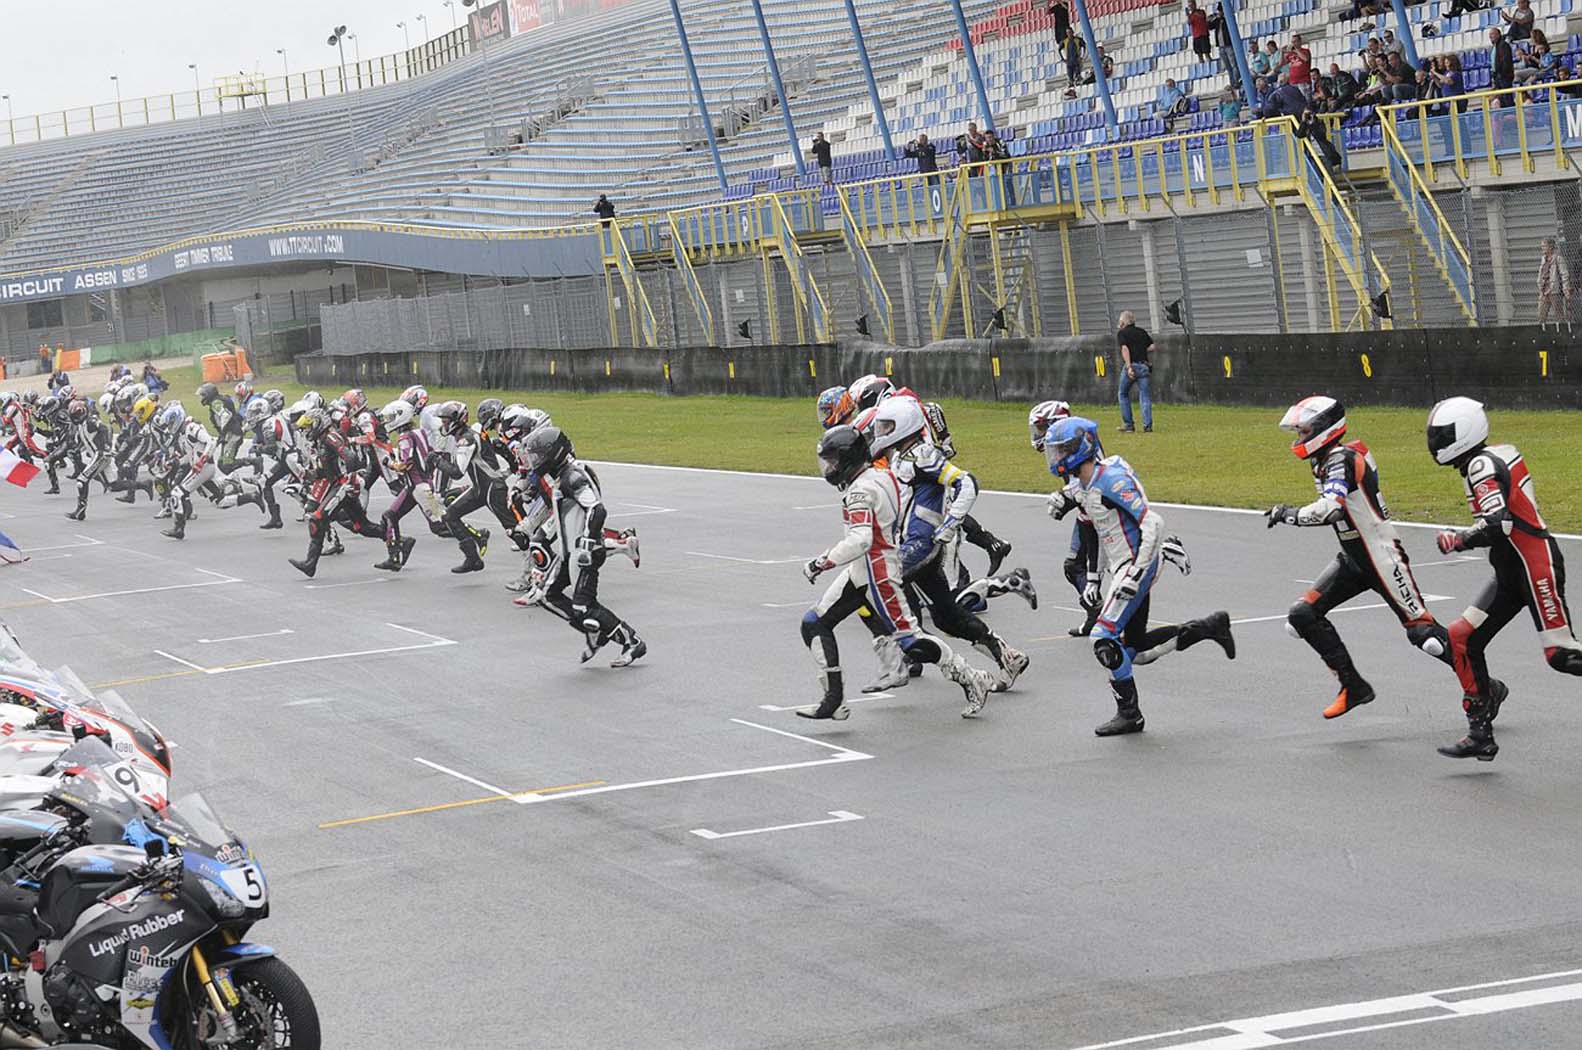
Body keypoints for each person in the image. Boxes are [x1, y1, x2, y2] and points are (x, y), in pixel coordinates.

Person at [1264, 396, 1459, 718]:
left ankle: (1483, 686)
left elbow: (1331, 508)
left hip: (1382, 557)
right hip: (1353, 558)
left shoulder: (1341, 457)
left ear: (1325, 429)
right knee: (1302, 615)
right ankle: (1353, 687)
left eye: (1303, 431)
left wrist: (1289, 514)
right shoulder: (1325, 458)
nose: (1298, 438)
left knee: (1425, 636)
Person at [1044, 418, 1235, 736]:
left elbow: (1153, 522)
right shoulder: (1087, 483)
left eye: (1062, 450)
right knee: (1137, 652)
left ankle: (1129, 714)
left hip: (1136, 564)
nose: (1056, 457)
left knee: (1103, 638)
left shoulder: (1111, 481)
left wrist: (1135, 572)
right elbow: (1098, 525)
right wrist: (1064, 500)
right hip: (1125, 564)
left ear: (1081, 449)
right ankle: (1209, 627)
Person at [796, 424, 997, 721]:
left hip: (876, 571)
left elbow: (861, 539)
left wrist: (822, 561)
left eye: (834, 460)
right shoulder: (880, 475)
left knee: (911, 639)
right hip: (865, 568)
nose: (830, 467)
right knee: (814, 622)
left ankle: (971, 677)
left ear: (849, 458)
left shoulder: (860, 491)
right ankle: (833, 699)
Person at [1427, 397, 1582, 760]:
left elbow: (1500, 523)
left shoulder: (1481, 464)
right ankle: (1480, 732)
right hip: (1510, 571)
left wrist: (1459, 539)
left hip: (1534, 567)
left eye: (1440, 435)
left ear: (1462, 434)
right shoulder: (1490, 456)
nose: (1434, 443)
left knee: (1562, 655)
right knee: (1461, 637)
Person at [859, 397, 1029, 701]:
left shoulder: (923, 454)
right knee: (946, 616)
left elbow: (967, 482)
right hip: (914, 544)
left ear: (904, 426)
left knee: (872, 588)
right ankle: (1008, 656)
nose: (881, 431)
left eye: (887, 426)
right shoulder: (901, 456)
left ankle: (899, 663)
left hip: (921, 545)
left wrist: (951, 523)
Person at [517, 425, 646, 668]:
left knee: (584, 605)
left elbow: (597, 509)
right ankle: (594, 634)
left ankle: (631, 641)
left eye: (537, 455)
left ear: (552, 454)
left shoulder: (573, 476)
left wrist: (587, 545)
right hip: (569, 554)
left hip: (585, 553)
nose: (533, 461)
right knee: (547, 596)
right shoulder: (560, 478)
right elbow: (560, 514)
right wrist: (540, 535)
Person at [1030, 400, 1103, 636]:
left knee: (1095, 564)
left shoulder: (1079, 443)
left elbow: (1090, 486)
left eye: (1042, 428)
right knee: (1076, 566)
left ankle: (1103, 616)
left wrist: (1065, 498)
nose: (1038, 435)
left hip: (1101, 515)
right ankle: (1097, 614)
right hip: (1087, 512)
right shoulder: (1068, 443)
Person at [1114, 310, 1155, 433]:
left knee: (1123, 393)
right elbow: (1152, 346)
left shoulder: (1122, 333)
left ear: (1123, 322)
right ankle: (1147, 426)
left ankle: (1129, 425)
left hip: (1132, 365)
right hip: (1144, 366)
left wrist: (1129, 366)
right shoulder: (1142, 332)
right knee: (1145, 396)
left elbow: (1125, 348)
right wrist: (1142, 350)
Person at [1297, 107, 1343, 171]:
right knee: (1318, 176)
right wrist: (1303, 121)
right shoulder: (1305, 125)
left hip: (1323, 153)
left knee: (1328, 174)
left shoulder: (1319, 122)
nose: (1308, 115)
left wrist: (1312, 123)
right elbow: (1299, 135)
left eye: (1309, 113)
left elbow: (1321, 135)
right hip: (1312, 155)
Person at [1538, 236, 1571, 323]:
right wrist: (1539, 283)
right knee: (1541, 314)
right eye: (1542, 246)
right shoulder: (1543, 259)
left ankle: (1562, 332)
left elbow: (1564, 274)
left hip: (1554, 291)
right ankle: (1541, 332)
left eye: (1544, 246)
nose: (1542, 248)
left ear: (1550, 247)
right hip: (1544, 291)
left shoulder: (1558, 258)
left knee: (1559, 315)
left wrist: (1565, 288)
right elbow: (1541, 273)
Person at [1491, 28, 1515, 93]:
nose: (1490, 36)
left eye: (1492, 34)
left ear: (1498, 35)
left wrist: (1502, 74)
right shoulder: (1494, 46)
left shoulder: (1503, 45)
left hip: (1504, 76)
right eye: (1490, 34)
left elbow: (1505, 61)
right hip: (1497, 76)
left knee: (1507, 97)